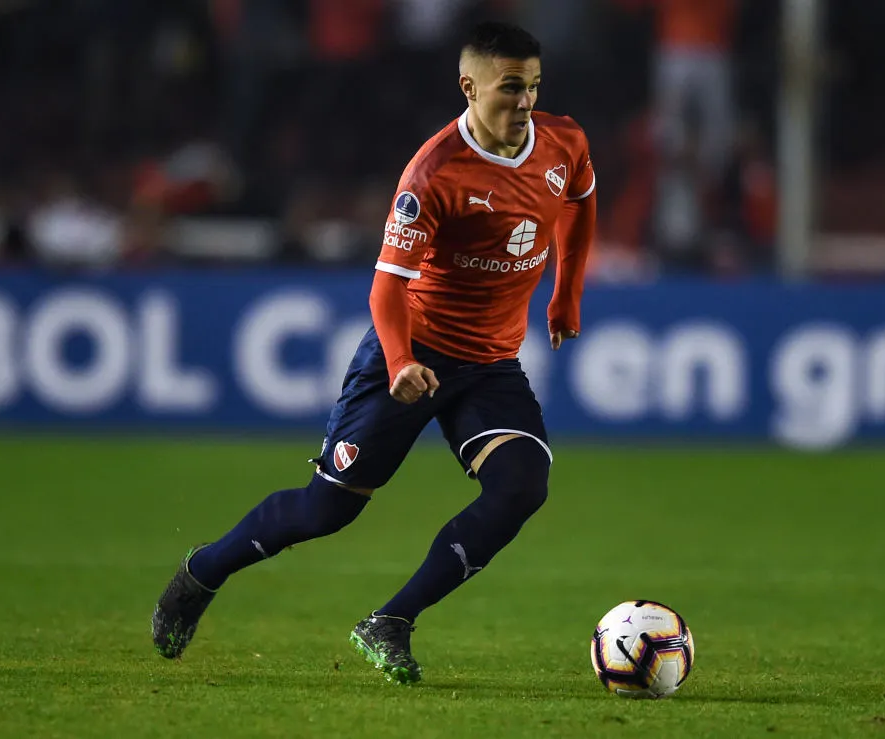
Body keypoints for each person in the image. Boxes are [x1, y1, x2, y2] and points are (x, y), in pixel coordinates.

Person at [151, 20, 596, 685]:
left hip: (490, 364)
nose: (524, 102)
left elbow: (581, 204)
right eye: (509, 88)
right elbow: (387, 286)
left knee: (523, 483)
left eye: (533, 86)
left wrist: (567, 296)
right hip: (413, 352)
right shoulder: (436, 172)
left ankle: (393, 619)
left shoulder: (564, 142)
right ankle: (202, 571)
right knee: (325, 510)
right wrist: (398, 363)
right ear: (469, 86)